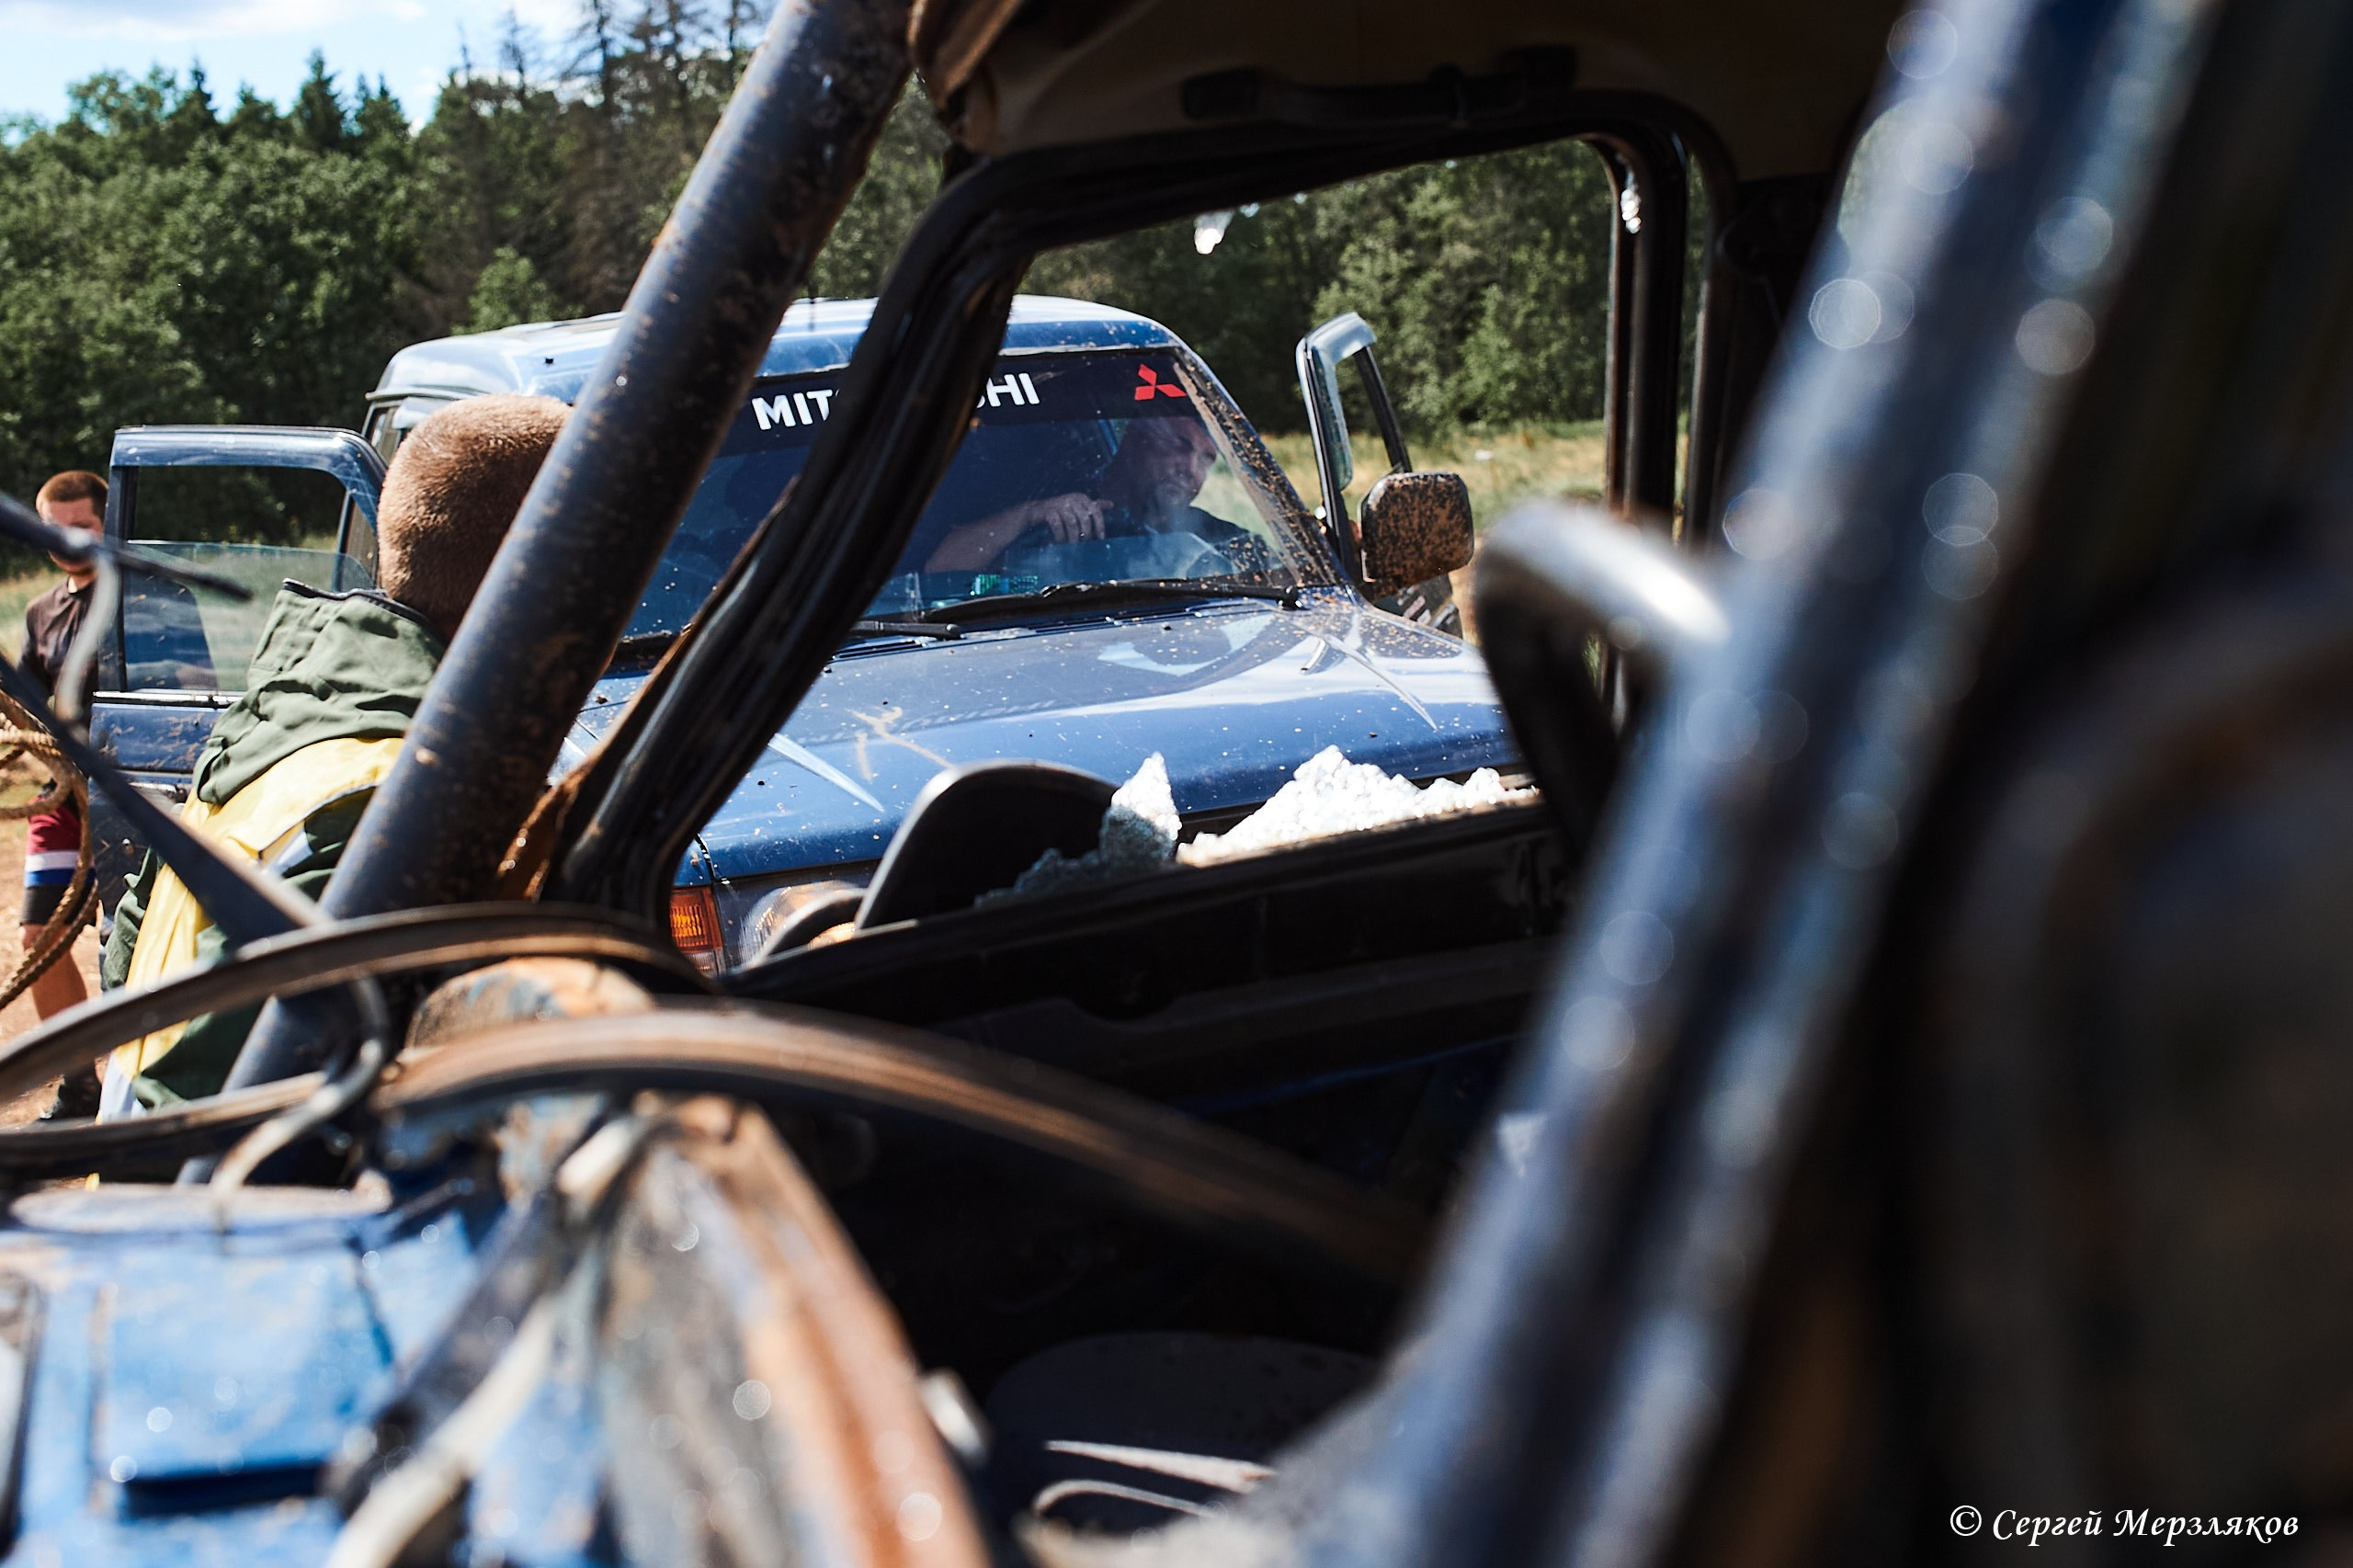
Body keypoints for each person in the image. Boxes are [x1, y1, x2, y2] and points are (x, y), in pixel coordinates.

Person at [97, 394, 568, 1115]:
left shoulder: (290, 726)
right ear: (548, 576)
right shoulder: (393, 802)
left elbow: (128, 954)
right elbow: (196, 1116)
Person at [924, 415, 1259, 578]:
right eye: (1178, 446)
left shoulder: (1218, 536)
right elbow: (940, 571)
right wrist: (1030, 514)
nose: (1190, 469)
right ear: (1134, 440)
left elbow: (1276, 584)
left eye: (1206, 460)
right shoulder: (1049, 509)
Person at [18, 471, 108, 1028]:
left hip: (137, 794)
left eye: (83, 526)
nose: (69, 541)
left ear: (108, 522)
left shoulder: (148, 599)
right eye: (55, 529)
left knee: (132, 938)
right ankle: (77, 1071)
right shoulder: (40, 612)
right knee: (38, 937)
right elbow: (22, 702)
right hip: (65, 792)